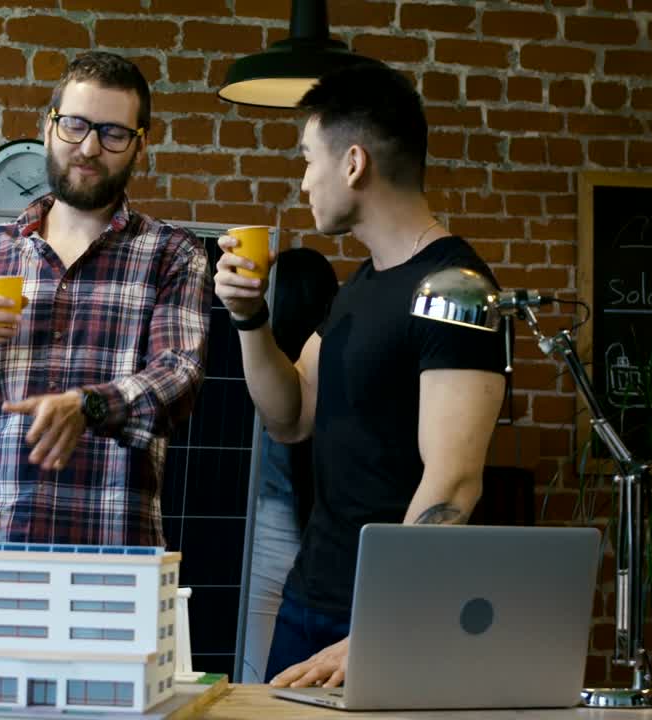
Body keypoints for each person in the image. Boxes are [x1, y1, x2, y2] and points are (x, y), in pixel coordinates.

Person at [213, 59, 506, 688]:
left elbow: (454, 485)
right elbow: (289, 417)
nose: (303, 182)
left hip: (390, 620)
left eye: (306, 159)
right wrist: (248, 318)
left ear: (352, 163)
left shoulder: (456, 289)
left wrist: (379, 625)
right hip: (310, 595)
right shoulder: (362, 286)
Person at [0, 51, 212, 546]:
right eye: (75, 125)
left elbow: (180, 377)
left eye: (113, 133)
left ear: (139, 147)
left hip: (112, 547)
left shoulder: (172, 253)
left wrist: (87, 406)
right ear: (48, 129)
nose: (88, 147)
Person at [241, 247, 338, 684]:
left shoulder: (257, 362)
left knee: (260, 670)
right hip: (325, 528)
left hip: (267, 524)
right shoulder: (333, 357)